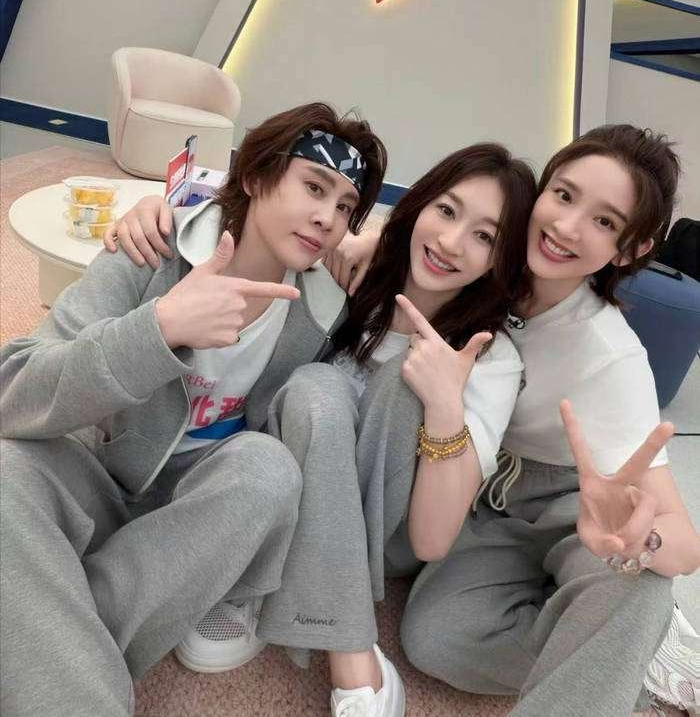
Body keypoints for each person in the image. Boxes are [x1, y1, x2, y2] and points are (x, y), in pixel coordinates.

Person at [106, 142, 537, 716]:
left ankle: (336, 641)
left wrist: (443, 404)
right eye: (446, 211)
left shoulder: (490, 355)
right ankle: (329, 623)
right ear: (419, 206)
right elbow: (262, 216)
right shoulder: (351, 277)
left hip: (387, 527)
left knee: (395, 383)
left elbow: (431, 542)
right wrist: (163, 208)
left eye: (485, 236)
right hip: (292, 483)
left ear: (501, 259)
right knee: (314, 388)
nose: (452, 242)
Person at [0, 102, 387, 717]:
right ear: (255, 177)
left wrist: (378, 238)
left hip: (199, 513)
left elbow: (434, 271)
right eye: (314, 187)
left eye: (346, 207)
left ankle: (38, 632)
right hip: (97, 474)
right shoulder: (151, 248)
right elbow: (13, 388)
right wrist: (159, 328)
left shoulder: (323, 308)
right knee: (6, 471)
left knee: (269, 470)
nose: (327, 218)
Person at [323, 124, 699, 716]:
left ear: (630, 250)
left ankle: (632, 632)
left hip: (576, 501)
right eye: (564, 195)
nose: (566, 226)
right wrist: (377, 239)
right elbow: (437, 227)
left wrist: (639, 539)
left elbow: (682, 543)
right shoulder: (495, 263)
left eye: (604, 222)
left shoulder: (610, 357)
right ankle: (619, 645)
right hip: (490, 496)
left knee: (638, 580)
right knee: (435, 639)